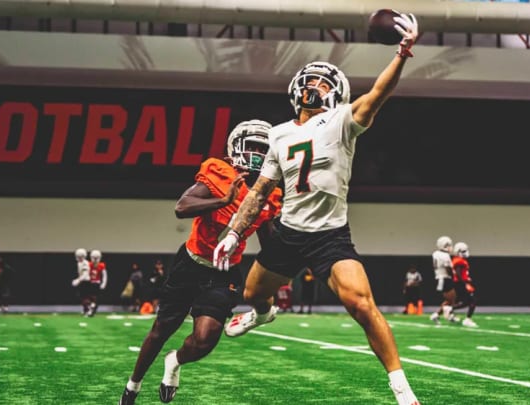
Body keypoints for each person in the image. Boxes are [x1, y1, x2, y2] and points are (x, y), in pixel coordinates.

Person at [212, 12, 421, 405]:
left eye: (323, 82)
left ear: (335, 92)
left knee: (361, 303)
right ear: (296, 89)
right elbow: (258, 193)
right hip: (289, 232)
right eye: (310, 80)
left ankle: (401, 387)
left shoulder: (342, 120)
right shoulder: (279, 134)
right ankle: (262, 313)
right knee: (254, 293)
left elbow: (378, 94)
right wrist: (234, 232)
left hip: (330, 236)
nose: (314, 86)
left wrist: (401, 55)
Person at [119, 119, 282, 405]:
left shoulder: (270, 192)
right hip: (191, 264)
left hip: (224, 272)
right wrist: (223, 200)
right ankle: (133, 386)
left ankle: (175, 362)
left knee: (205, 340)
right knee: (161, 330)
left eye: (263, 148)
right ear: (235, 147)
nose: (257, 153)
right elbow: (182, 207)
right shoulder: (220, 173)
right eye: (252, 146)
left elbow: (268, 241)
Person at [429, 236, 458, 325]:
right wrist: (453, 276)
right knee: (452, 299)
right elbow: (447, 268)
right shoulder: (445, 255)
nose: (450, 247)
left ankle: (438, 315)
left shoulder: (435, 254)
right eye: (448, 245)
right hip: (445, 278)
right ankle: (448, 315)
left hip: (439, 277)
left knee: (450, 300)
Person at [451, 242, 477, 327]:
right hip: (461, 283)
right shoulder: (459, 261)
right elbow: (458, 274)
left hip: (459, 283)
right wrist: (465, 283)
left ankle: (450, 309)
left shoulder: (457, 260)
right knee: (472, 301)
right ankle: (467, 319)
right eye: (464, 251)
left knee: (466, 302)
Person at [86, 250, 108, 317]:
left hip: (97, 283)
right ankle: (89, 310)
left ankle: (93, 311)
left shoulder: (101, 265)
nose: (95, 260)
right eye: (94, 258)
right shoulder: (88, 264)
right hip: (89, 283)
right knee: (89, 298)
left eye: (97, 258)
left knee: (96, 298)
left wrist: (104, 283)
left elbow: (104, 275)